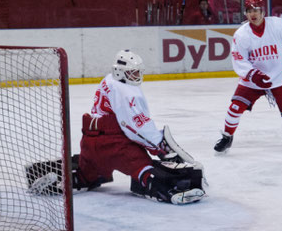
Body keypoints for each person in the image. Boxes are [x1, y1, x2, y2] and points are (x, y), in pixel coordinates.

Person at [75, 50, 205, 205]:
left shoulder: (108, 79)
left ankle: (69, 179)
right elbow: (136, 127)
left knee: (88, 175)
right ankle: (168, 190)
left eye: (137, 72)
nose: (136, 76)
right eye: (132, 73)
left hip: (89, 142)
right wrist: (159, 147)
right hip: (113, 144)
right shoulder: (128, 92)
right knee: (142, 167)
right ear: (119, 72)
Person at [214, 0, 282, 153]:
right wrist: (253, 75)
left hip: (279, 75)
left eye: (256, 10)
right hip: (254, 78)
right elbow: (239, 58)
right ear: (245, 13)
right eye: (249, 10)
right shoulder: (242, 34)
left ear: (263, 11)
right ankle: (227, 137)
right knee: (235, 107)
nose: (253, 14)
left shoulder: (278, 25)